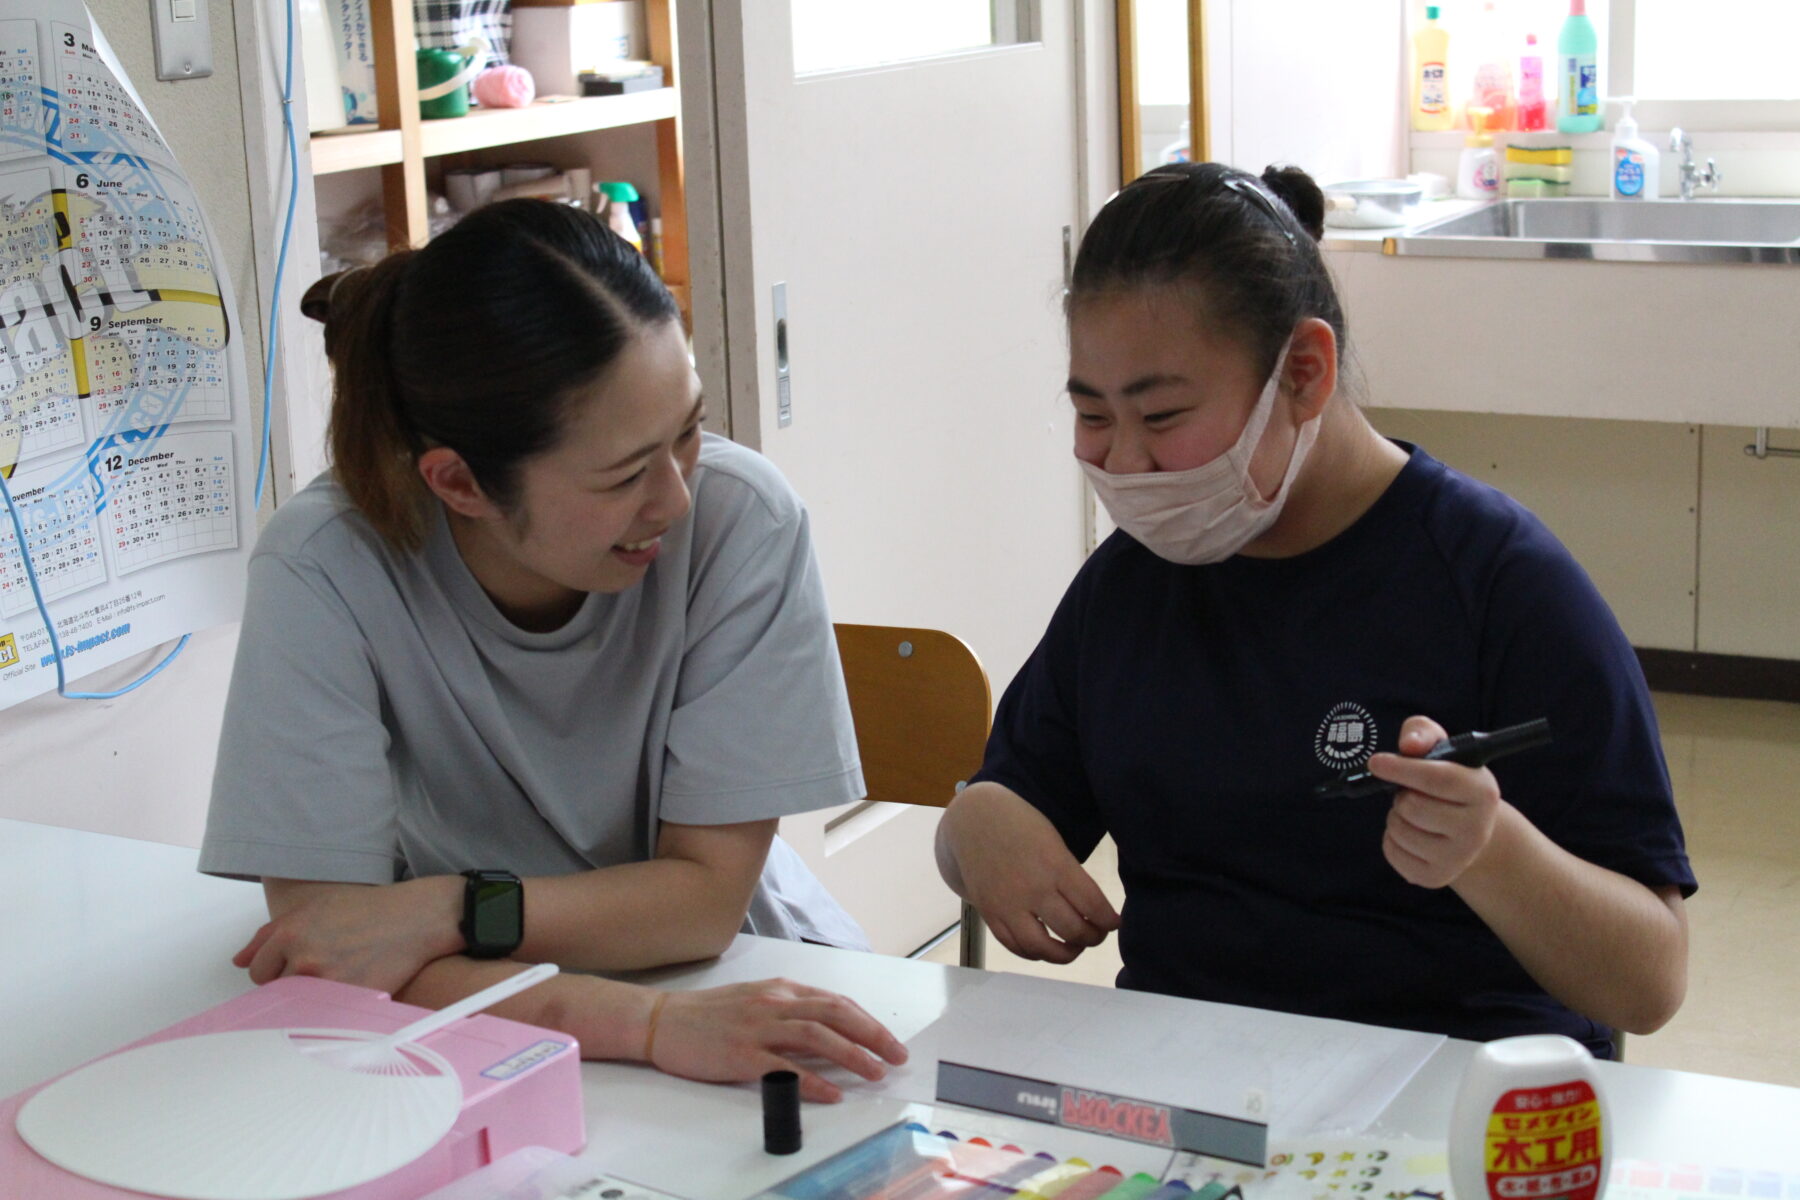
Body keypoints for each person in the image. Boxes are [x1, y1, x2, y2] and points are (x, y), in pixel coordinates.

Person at [935, 162, 1694, 1058]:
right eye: (1093, 417)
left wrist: (1491, 851)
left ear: (1304, 371)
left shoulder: (1499, 584)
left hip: (1451, 1100)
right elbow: (1013, 804)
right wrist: (972, 828)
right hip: (1197, 1088)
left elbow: (1649, 981)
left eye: (1164, 414)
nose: (1124, 463)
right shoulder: (1132, 585)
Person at [199, 199, 904, 1101]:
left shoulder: (740, 519)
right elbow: (331, 950)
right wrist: (642, 1025)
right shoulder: (323, 570)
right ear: (458, 482)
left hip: (734, 985)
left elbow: (701, 901)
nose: (675, 500)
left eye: (686, 431)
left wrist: (444, 911)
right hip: (476, 1035)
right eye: (622, 476)